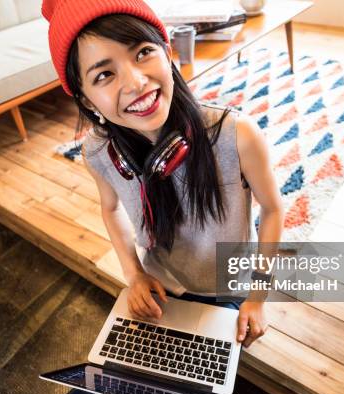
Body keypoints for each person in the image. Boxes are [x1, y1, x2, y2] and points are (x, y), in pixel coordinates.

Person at [42, 0, 283, 348]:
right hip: (160, 287)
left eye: (142, 52)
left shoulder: (237, 135)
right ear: (87, 100)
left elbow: (273, 209)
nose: (136, 82)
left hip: (228, 287)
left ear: (167, 51)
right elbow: (110, 209)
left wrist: (258, 297)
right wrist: (133, 274)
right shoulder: (98, 152)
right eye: (104, 75)